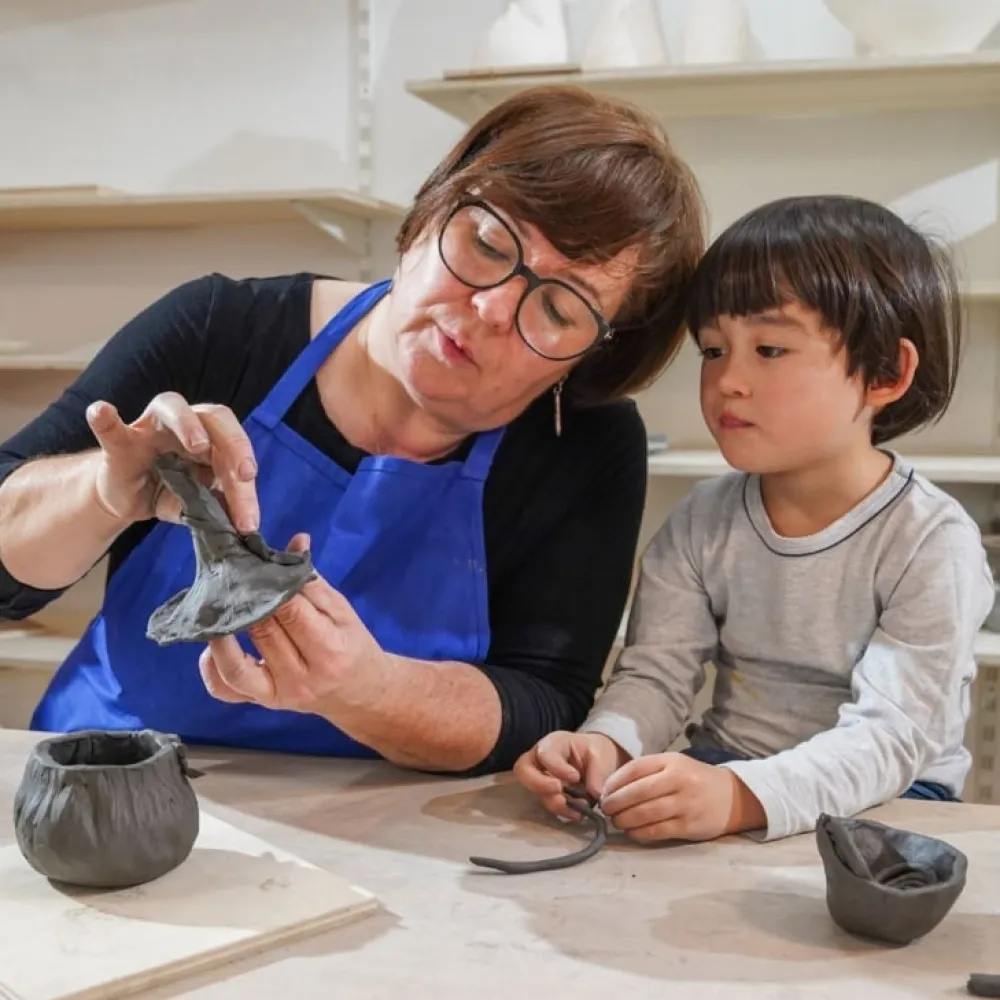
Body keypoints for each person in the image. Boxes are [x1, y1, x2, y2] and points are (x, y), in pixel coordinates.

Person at [0, 86, 706, 774]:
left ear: (592, 358)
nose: (492, 307)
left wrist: (368, 692)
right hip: (113, 776)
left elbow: (545, 698)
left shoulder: (583, 445)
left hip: (384, 825)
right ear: (432, 207)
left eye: (559, 310)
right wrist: (101, 490)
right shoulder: (223, 332)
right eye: (488, 244)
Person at [514, 194, 996, 840]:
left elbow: (894, 737)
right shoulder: (699, 523)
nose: (728, 382)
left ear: (885, 373)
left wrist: (742, 796)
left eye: (769, 349)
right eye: (713, 351)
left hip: (898, 798)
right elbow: (655, 678)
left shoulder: (933, 541)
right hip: (727, 769)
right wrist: (605, 747)